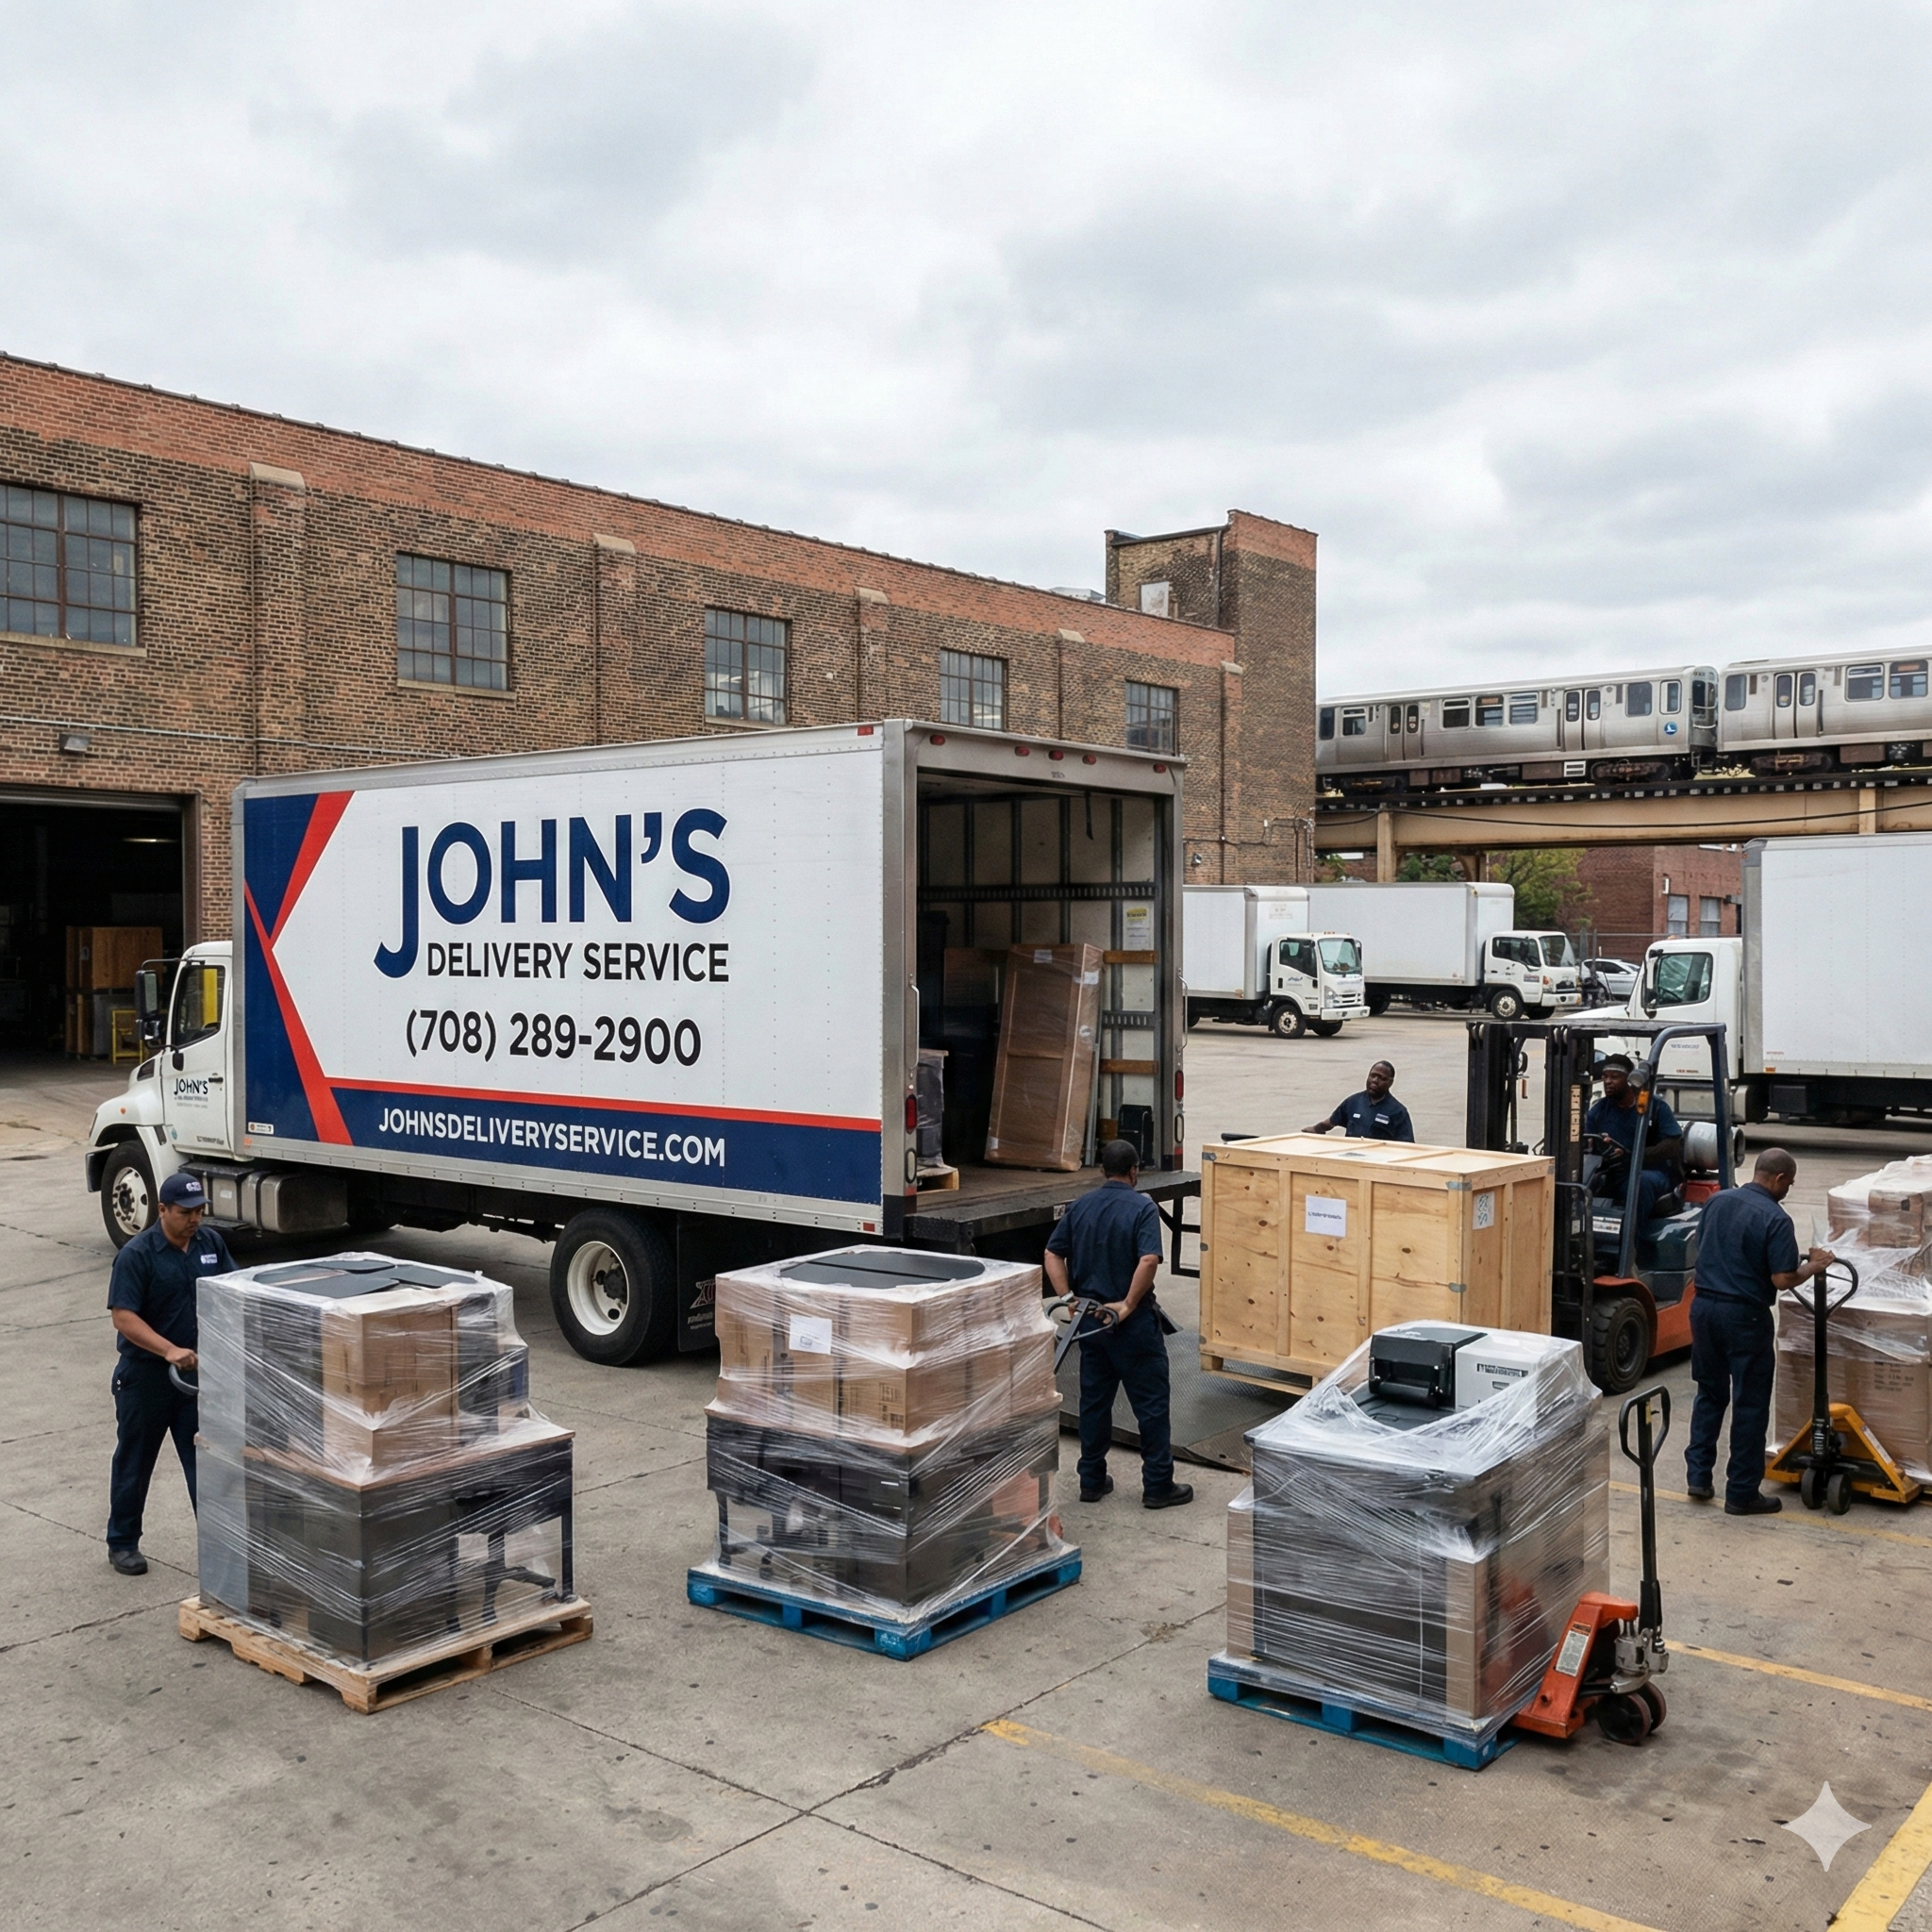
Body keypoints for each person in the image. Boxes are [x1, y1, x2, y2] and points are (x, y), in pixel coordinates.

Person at [1045, 1139, 1193, 1509]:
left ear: (1102, 1171)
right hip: (1131, 1325)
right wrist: (1127, 1304)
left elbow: (1052, 1252)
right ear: (1134, 1171)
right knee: (1151, 1405)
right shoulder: (1142, 1207)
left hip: (1090, 1322)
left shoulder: (1081, 1205)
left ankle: (1091, 1481)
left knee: (1094, 1404)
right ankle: (1158, 1485)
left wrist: (1067, 1299)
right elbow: (1148, 1260)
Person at [1685, 1147, 1833, 1516]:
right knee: (1750, 1404)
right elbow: (1782, 1278)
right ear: (1779, 1179)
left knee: (1709, 1394)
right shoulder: (1776, 1218)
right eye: (1790, 1184)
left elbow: (1703, 1247)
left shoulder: (1717, 1201)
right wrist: (1813, 1266)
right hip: (1744, 1317)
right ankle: (1741, 1493)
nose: (1789, 1190)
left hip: (1703, 1309)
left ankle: (1699, 1476)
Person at [106, 1171, 234, 1574]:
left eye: (199, 1211)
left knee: (204, 1465)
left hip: (196, 1379)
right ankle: (122, 1542)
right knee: (135, 1461)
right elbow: (124, 1317)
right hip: (145, 1378)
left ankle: (218, 1548)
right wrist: (169, 1350)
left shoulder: (210, 1244)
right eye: (185, 1212)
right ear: (162, 1210)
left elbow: (233, 1290)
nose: (194, 1219)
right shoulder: (137, 1255)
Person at [1587, 1055, 1682, 1224]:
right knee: (1580, 1184)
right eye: (1605, 1077)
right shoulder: (1599, 1110)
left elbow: (1672, 1146)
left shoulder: (1655, 1107)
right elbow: (1586, 1141)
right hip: (1614, 1172)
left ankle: (1631, 1245)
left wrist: (1633, 1156)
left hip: (1652, 1172)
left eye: (1614, 1077)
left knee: (1639, 1184)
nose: (1608, 1081)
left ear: (1630, 1080)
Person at [1304, 1060, 1414, 1141]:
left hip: (1379, 1164)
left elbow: (1407, 1146)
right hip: (1351, 1159)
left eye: (1381, 1078)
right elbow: (1330, 1122)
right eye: (1373, 1076)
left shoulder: (1398, 1112)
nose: (1375, 1081)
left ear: (1390, 1083)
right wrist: (1315, 1129)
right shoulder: (1353, 1102)